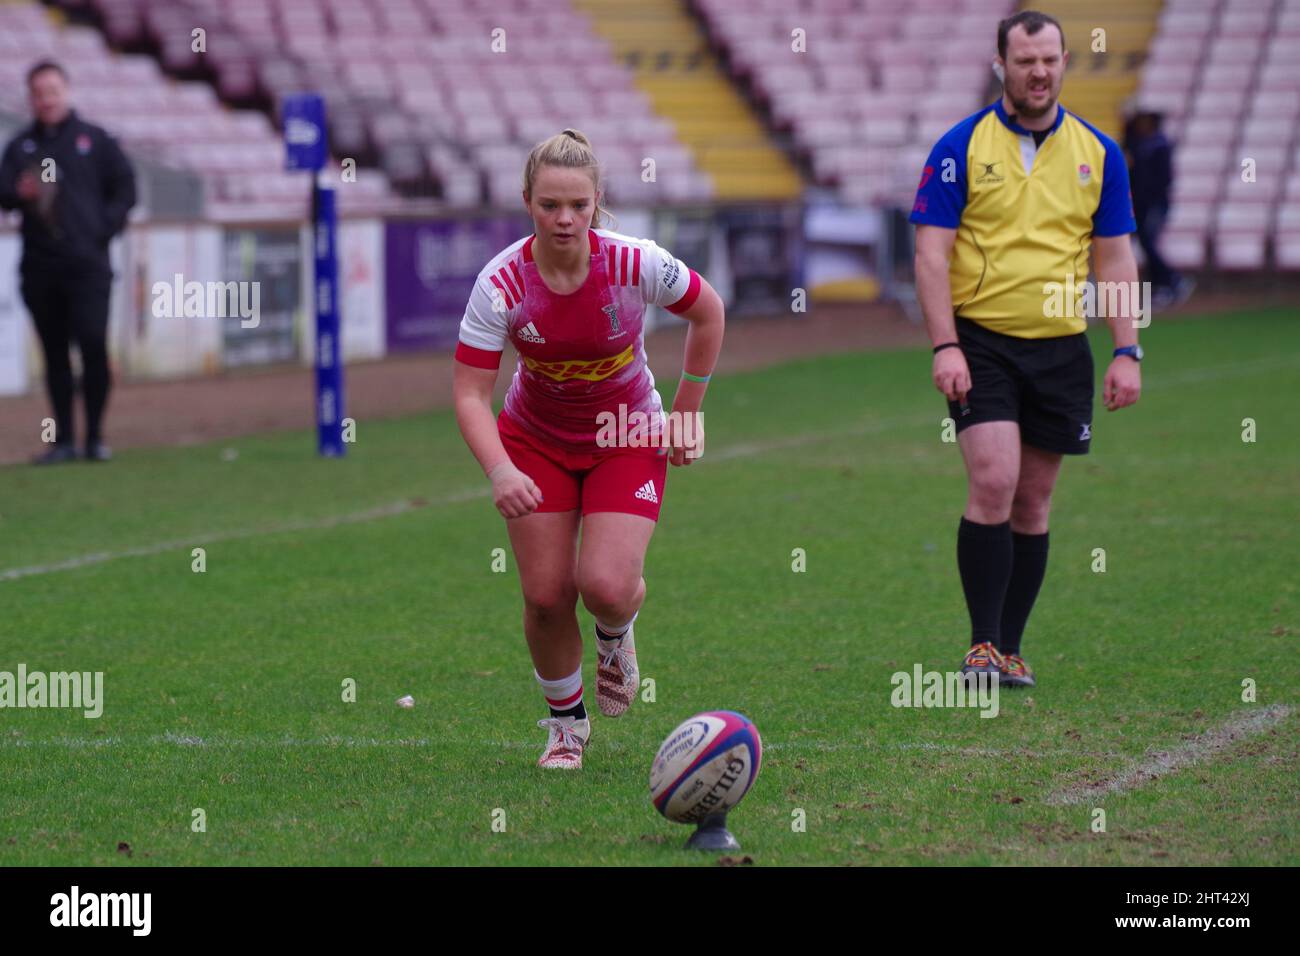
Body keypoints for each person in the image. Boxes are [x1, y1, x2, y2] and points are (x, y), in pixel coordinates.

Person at [452, 129, 725, 768]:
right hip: (535, 442)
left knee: (604, 585)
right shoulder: (501, 285)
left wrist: (685, 417)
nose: (565, 219)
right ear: (527, 202)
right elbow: (470, 395)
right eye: (550, 205)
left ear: (597, 200)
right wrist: (498, 470)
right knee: (546, 596)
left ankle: (615, 632)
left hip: (626, 435)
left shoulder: (635, 262)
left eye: (578, 204)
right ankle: (566, 728)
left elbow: (708, 312)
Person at [910, 11, 1142, 688]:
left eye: (1048, 60)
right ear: (1000, 66)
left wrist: (1128, 350)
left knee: (1034, 502)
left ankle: (1010, 650)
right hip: (981, 343)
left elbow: (1115, 259)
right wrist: (944, 345)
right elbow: (931, 255)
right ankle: (981, 646)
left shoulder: (1100, 153)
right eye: (1024, 61)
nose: (1037, 72)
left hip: (1063, 350)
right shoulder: (958, 146)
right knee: (993, 480)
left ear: (1065, 61)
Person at [0, 61, 136, 464]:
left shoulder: (96, 141)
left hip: (88, 265)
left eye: (52, 90)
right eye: (39, 92)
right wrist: (20, 192)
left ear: (67, 90)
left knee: (92, 345)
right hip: (41, 266)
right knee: (55, 354)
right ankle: (63, 441)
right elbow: (4, 192)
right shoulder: (21, 145)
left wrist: (102, 229)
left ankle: (94, 437)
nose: (46, 99)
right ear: (31, 97)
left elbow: (125, 189)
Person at [1124, 109, 1191, 308]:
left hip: (1154, 204)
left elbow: (1163, 179)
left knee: (1147, 242)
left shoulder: (1159, 145)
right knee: (1143, 244)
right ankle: (1162, 284)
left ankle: (1171, 280)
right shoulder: (1136, 144)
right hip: (1138, 204)